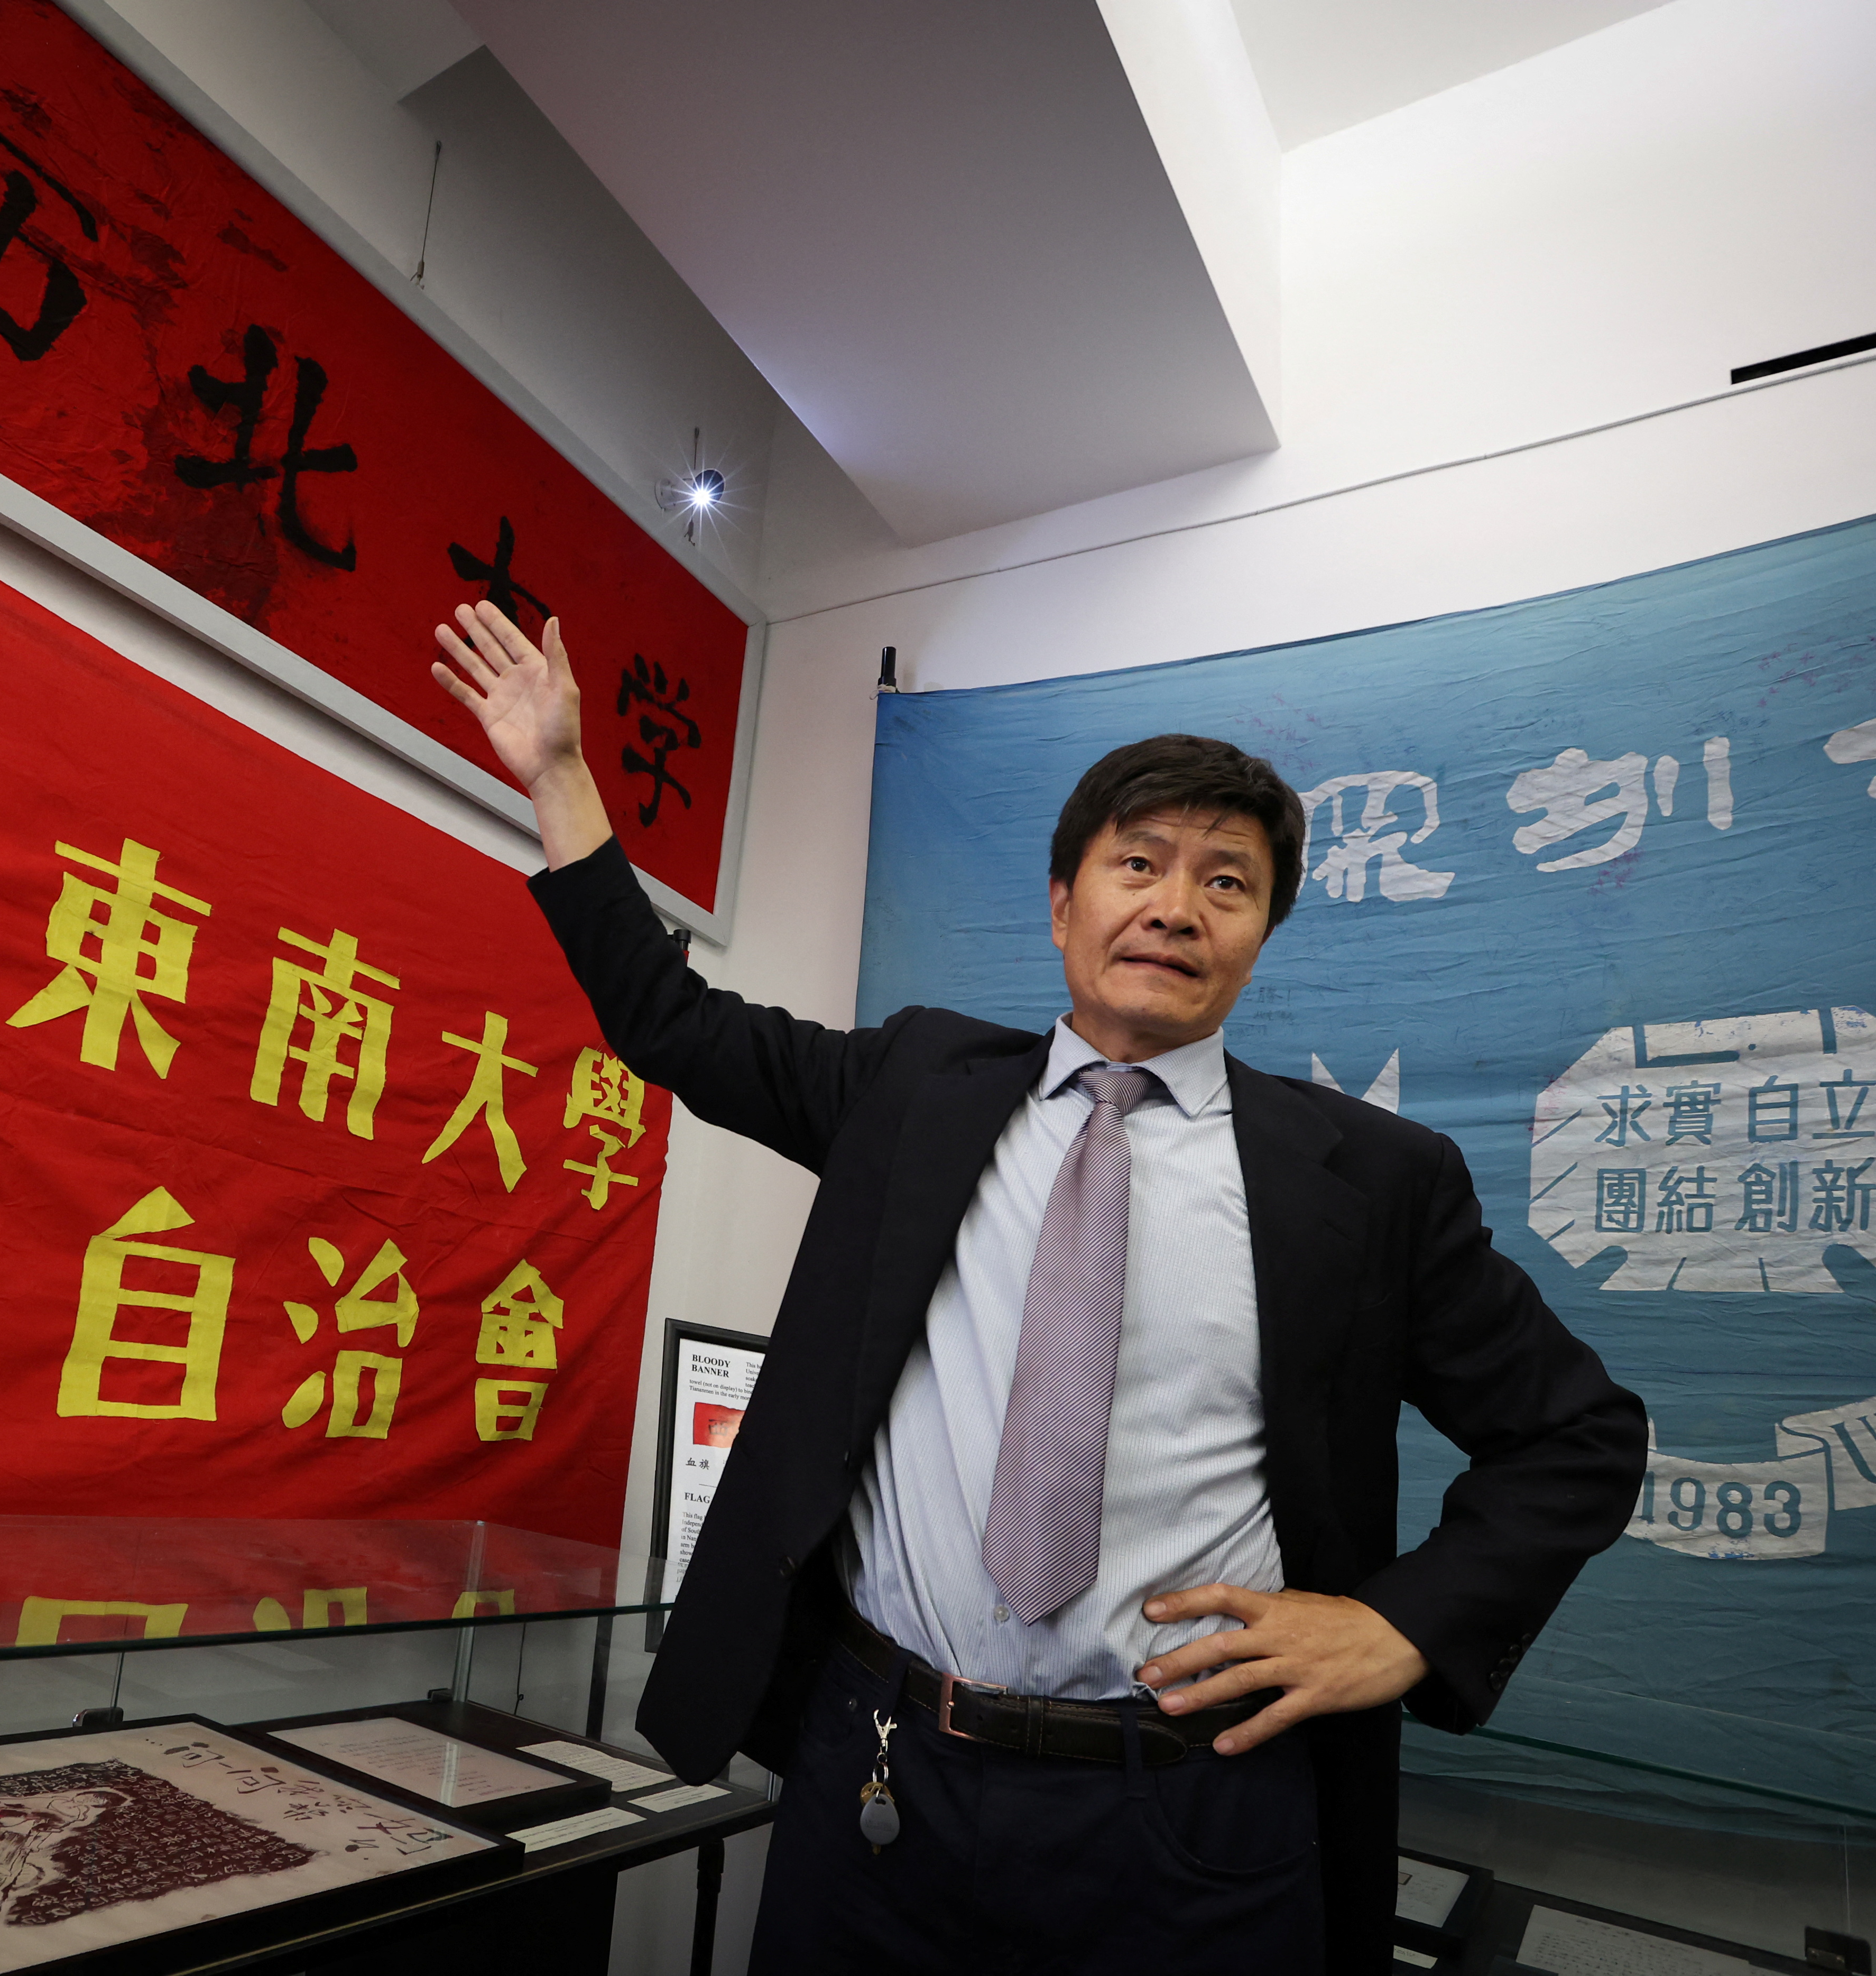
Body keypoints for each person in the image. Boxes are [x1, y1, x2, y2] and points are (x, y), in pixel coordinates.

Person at [432, 602, 1646, 1973]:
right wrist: (556, 773)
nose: (1175, 907)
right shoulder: (915, 1088)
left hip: (1190, 1811)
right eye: (1138, 863)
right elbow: (674, 1021)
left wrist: (1399, 1623)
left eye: (1227, 883)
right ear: (1064, 903)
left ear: (1259, 937)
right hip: (880, 1766)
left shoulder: (1366, 1179)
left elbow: (1578, 1436)